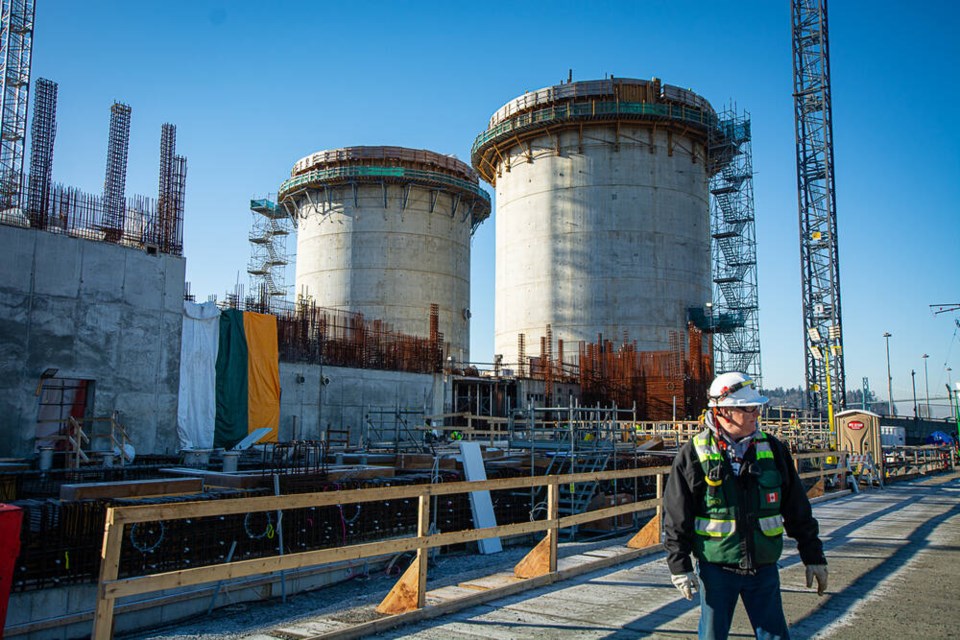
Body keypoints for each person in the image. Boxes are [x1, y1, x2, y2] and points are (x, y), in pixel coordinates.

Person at [662, 371, 828, 640]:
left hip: (763, 568)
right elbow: (677, 516)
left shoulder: (772, 450)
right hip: (717, 569)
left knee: (775, 636)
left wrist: (814, 556)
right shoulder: (694, 453)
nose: (756, 414)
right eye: (748, 407)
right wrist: (679, 566)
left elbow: (797, 509)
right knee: (713, 636)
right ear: (724, 412)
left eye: (757, 407)